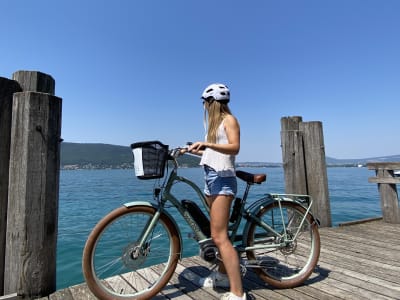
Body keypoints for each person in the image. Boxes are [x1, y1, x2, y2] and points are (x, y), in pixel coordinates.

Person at [188, 83, 246, 300]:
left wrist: (207, 144)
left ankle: (238, 293)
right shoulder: (214, 125)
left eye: (204, 102)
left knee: (220, 238)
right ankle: (222, 276)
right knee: (217, 235)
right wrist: (192, 148)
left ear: (211, 102)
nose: (203, 106)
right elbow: (213, 151)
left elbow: (234, 147)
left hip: (223, 180)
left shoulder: (229, 120)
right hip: (211, 178)